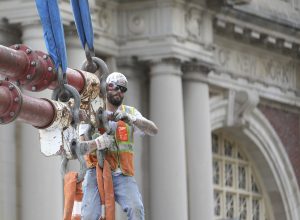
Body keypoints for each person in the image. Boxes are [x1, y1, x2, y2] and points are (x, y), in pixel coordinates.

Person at [79, 72, 158, 220]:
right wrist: (98, 143)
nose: (119, 91)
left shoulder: (130, 112)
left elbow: (153, 130)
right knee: (89, 215)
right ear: (106, 87)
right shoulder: (92, 112)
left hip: (123, 174)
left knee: (136, 209)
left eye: (122, 89)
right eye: (114, 87)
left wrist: (133, 120)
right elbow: (80, 146)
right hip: (96, 172)